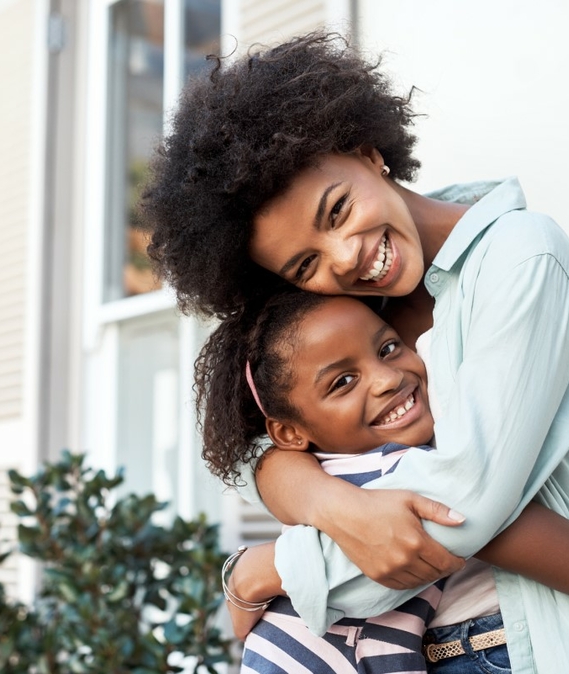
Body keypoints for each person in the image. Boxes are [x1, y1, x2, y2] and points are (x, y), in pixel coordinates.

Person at [141, 30, 569, 673]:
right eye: (306, 262)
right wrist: (330, 502)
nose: (345, 257)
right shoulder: (347, 315)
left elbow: (464, 505)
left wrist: (274, 567)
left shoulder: (519, 257)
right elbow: (262, 449)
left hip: (516, 646)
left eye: (337, 210)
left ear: (369, 152)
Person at [201, 289, 569, 673]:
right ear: (289, 434)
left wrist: (262, 569)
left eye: (389, 348)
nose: (387, 379)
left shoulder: (332, 467)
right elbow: (495, 524)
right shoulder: (400, 469)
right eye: (343, 381)